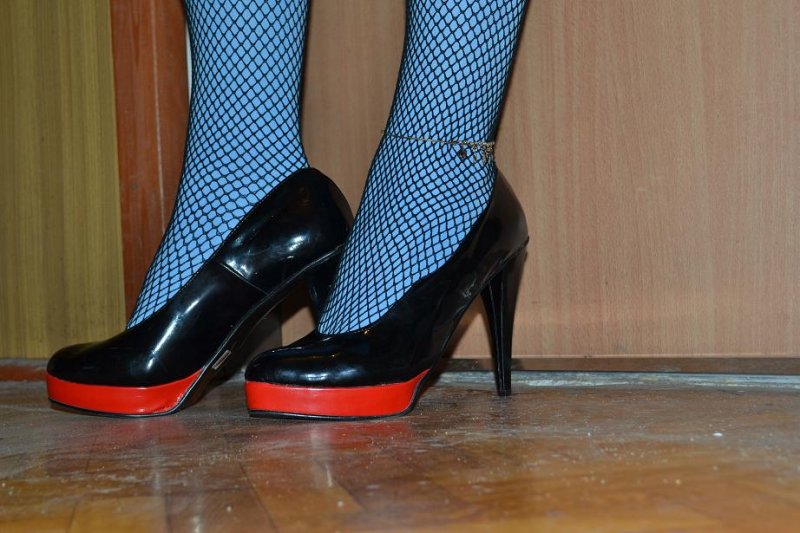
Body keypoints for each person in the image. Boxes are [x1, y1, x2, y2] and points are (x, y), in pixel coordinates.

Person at [47, 0, 530, 419]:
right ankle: (251, 171)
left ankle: (441, 178)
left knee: (440, 133)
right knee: (244, 130)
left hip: (445, 178)